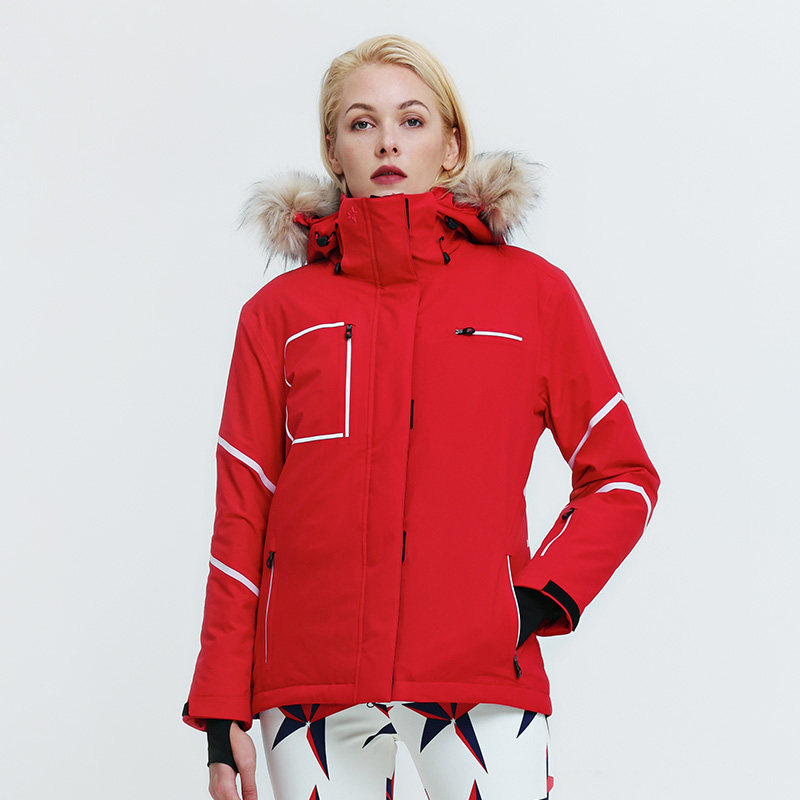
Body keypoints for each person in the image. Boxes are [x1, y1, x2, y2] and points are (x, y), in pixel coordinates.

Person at [181, 33, 660, 800]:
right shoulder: (278, 315)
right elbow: (242, 515)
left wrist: (536, 597)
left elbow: (623, 476)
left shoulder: (532, 296)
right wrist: (218, 703)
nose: (387, 142)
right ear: (334, 151)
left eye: (411, 120)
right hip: (310, 690)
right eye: (361, 123)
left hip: (478, 679)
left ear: (451, 145)